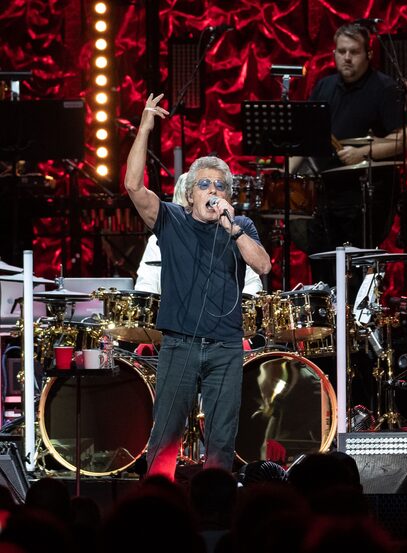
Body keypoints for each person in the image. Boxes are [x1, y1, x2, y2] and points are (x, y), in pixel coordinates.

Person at [124, 93, 271, 479]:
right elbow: (133, 186)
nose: (212, 191)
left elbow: (264, 264)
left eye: (220, 186)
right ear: (190, 194)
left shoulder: (241, 229)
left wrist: (231, 226)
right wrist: (145, 127)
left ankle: (216, 510)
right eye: (204, 184)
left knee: (222, 439)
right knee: (166, 436)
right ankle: (158, 505)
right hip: (180, 344)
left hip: (225, 346)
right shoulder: (171, 220)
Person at [289, 23, 407, 284]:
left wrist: (364, 153)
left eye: (354, 52)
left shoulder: (385, 88)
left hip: (365, 198)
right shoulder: (324, 87)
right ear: (334, 53)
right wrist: (284, 174)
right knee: (321, 266)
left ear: (368, 54)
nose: (347, 58)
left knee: (355, 269)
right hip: (323, 196)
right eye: (341, 51)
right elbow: (307, 139)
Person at [135, 173, 264, 295]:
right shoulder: (157, 241)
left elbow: (253, 282)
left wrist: (240, 309)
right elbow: (146, 286)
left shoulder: (234, 236)